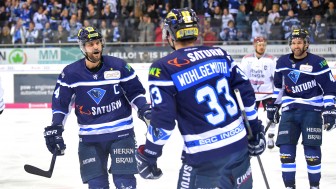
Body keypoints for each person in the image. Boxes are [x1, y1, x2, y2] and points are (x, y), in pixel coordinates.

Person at [135, 8, 266, 189]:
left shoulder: (163, 68)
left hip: (203, 156)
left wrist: (149, 153)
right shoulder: (220, 54)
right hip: (238, 146)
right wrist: (256, 130)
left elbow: (163, 121)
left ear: (171, 34)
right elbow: (247, 93)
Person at [43, 26, 151, 189]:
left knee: (125, 182)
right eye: (90, 44)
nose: (95, 47)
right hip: (89, 138)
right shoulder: (70, 74)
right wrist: (56, 127)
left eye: (98, 43)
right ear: (82, 47)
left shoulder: (119, 66)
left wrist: (146, 111)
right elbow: (61, 105)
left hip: (121, 134)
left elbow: (135, 93)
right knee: (97, 185)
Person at [267, 29, 336, 189]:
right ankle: (290, 186)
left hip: (312, 112)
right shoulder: (282, 62)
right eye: (293, 42)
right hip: (289, 111)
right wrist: (273, 105)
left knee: (312, 155)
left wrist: (330, 109)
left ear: (306, 44)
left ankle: (314, 186)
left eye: (299, 42)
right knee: (285, 154)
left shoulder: (319, 62)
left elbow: (330, 88)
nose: (296, 45)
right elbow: (278, 86)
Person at [238, 36, 278, 149]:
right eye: (259, 45)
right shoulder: (246, 59)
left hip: (268, 92)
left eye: (264, 45)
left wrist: (277, 93)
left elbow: (277, 78)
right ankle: (251, 135)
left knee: (271, 115)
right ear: (255, 45)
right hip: (252, 93)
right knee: (250, 116)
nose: (262, 47)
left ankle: (271, 136)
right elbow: (242, 76)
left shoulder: (271, 59)